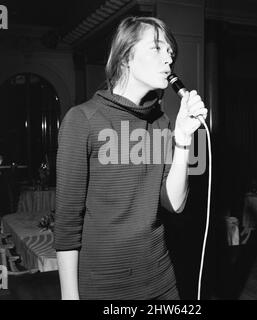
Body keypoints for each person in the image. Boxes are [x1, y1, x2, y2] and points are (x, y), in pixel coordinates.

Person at [54, 16, 208, 300]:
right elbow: (67, 223)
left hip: (161, 279)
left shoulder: (161, 123)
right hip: (104, 285)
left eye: (170, 54)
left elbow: (174, 204)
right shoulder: (83, 120)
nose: (168, 61)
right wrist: (69, 296)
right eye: (156, 49)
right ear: (125, 56)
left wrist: (184, 139)